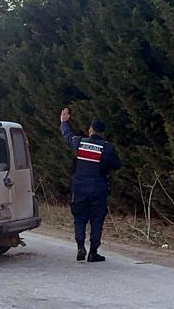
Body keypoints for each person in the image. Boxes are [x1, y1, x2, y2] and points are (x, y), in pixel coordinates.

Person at [60, 108, 121, 262]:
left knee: (79, 219)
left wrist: (64, 123)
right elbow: (116, 165)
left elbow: (67, 136)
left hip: (79, 189)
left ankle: (80, 247)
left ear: (90, 130)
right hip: (98, 190)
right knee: (97, 220)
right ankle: (93, 252)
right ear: (102, 133)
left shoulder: (79, 142)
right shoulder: (107, 148)